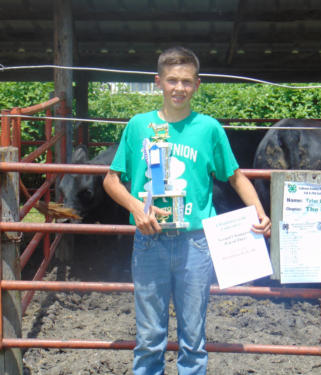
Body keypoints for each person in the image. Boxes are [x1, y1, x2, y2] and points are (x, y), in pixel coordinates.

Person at [103, 46, 271, 375]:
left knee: (193, 339)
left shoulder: (209, 129)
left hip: (196, 243)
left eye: (186, 82)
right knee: (150, 338)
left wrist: (260, 212)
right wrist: (137, 207)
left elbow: (235, 177)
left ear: (197, 84)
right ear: (158, 83)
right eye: (171, 81)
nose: (178, 88)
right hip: (150, 242)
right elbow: (111, 181)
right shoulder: (138, 126)